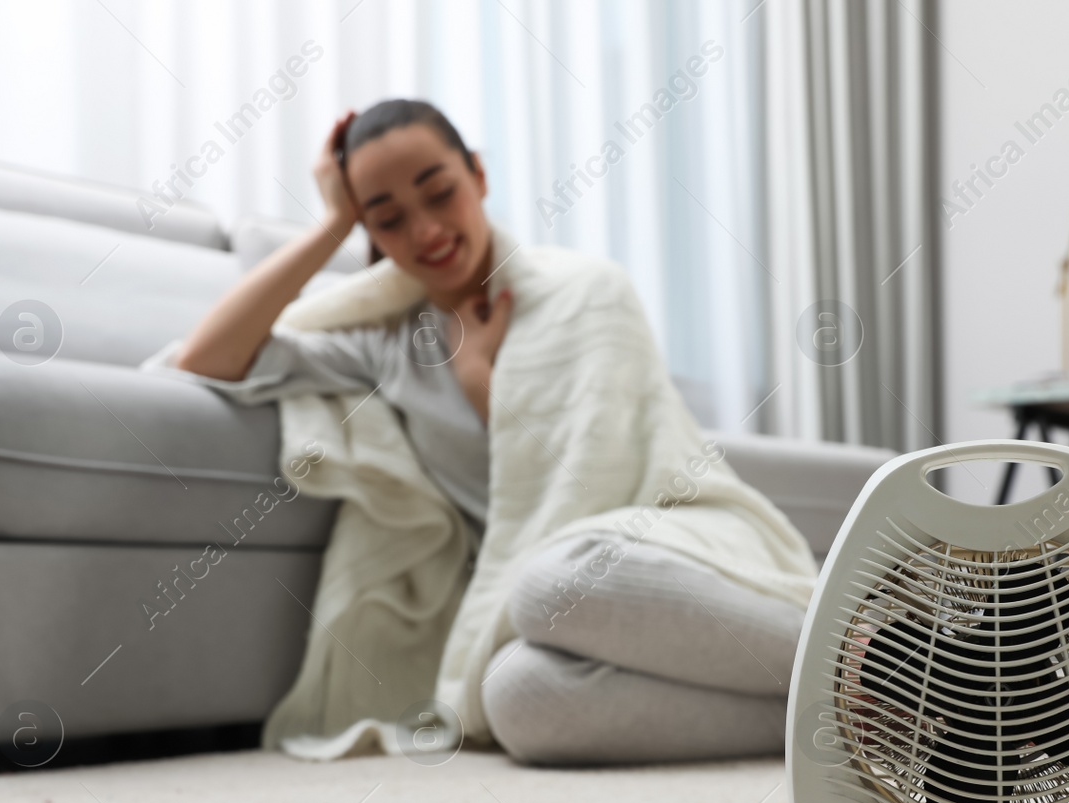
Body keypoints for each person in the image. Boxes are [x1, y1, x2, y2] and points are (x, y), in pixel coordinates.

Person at [155, 99, 811, 765]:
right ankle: (840, 713)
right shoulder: (386, 342)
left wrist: (479, 384)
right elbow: (208, 359)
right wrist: (332, 225)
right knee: (517, 697)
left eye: (440, 193)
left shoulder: (586, 291)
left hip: (667, 547)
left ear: (478, 176)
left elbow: (592, 484)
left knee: (554, 579)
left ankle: (874, 653)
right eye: (387, 219)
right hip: (553, 614)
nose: (426, 230)